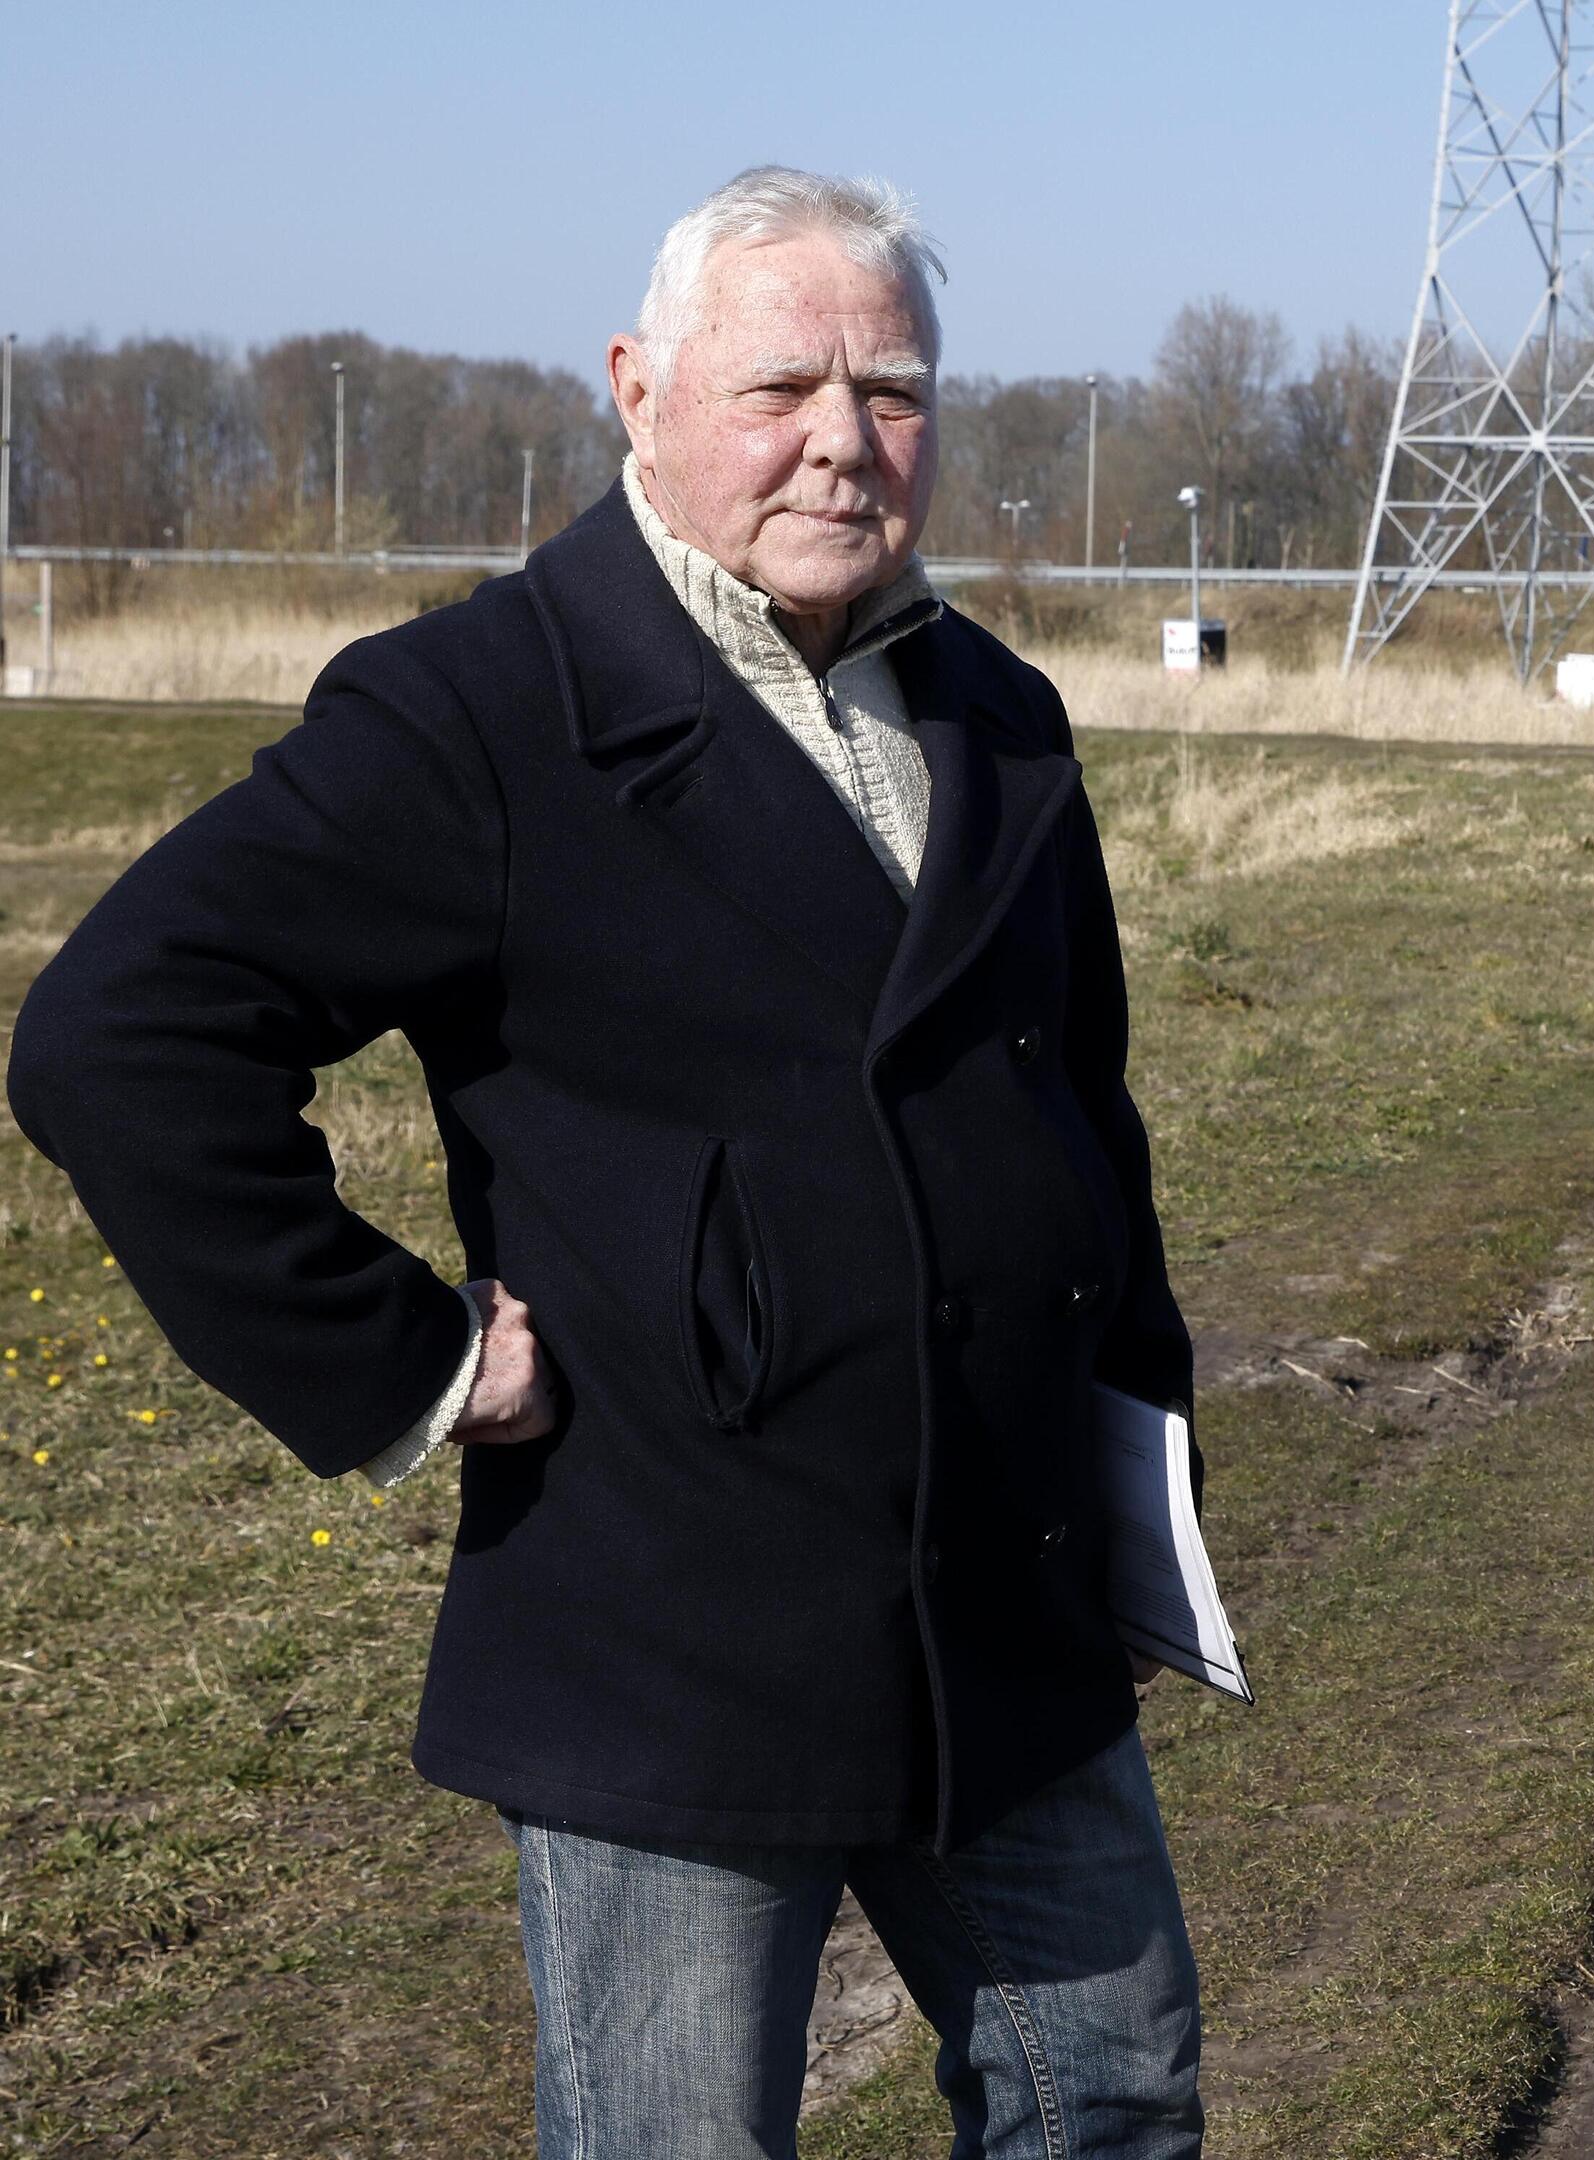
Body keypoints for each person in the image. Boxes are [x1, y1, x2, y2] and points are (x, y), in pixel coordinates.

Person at [7, 169, 1202, 2157]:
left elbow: (1079, 1100)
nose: (846, 440)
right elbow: (120, 1035)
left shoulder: (996, 715)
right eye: (786, 384)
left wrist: (1126, 1424)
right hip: (676, 1635)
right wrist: (405, 1360)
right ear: (639, 392)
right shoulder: (481, 714)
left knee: (1112, 2104)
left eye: (894, 390)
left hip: (1010, 1617)